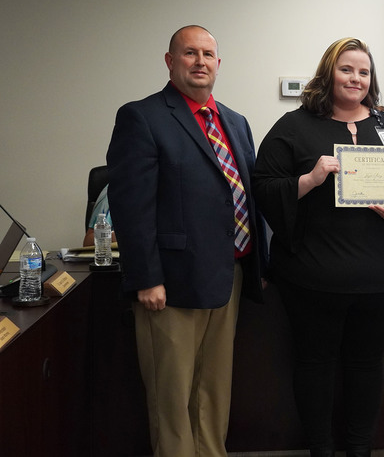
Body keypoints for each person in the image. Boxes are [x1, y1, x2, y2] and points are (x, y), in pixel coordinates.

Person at [252, 37, 384, 457]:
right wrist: (309, 180)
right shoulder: (293, 127)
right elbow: (261, 188)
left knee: (367, 366)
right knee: (315, 365)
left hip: (381, 280)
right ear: (328, 73)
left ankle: (360, 449)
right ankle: (320, 449)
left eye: (364, 72)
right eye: (347, 69)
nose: (356, 78)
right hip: (312, 279)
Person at [106, 25, 267, 457]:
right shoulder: (142, 117)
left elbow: (250, 196)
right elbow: (131, 207)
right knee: (172, 396)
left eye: (208, 54)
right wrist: (146, 278)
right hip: (171, 284)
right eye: (190, 53)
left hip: (228, 276)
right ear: (170, 61)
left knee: (214, 391)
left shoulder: (235, 121)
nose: (200, 62)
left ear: (218, 63)